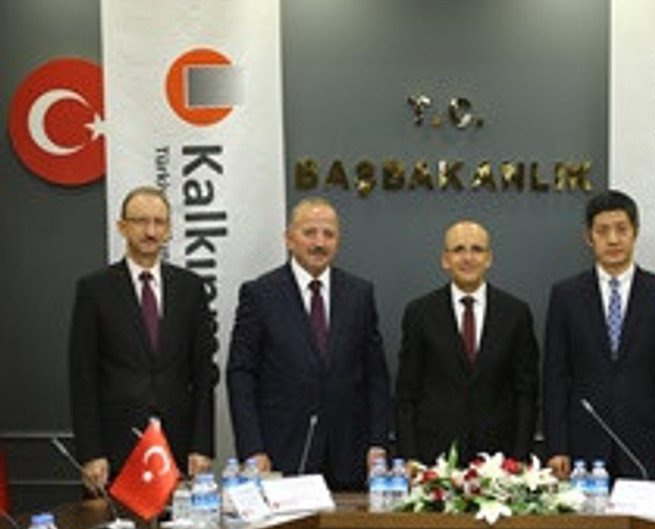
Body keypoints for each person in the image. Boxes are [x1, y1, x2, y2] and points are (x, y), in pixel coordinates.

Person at [227, 197, 390, 490]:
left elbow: (376, 375)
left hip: (348, 456)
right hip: (281, 453)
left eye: (328, 234)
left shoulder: (359, 294)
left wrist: (377, 443)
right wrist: (252, 450)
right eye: (310, 233)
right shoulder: (260, 294)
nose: (319, 243)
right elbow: (241, 375)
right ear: (289, 239)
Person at [69, 186, 217, 492]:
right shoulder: (94, 290)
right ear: (122, 227)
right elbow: (82, 376)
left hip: (178, 447)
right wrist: (91, 452)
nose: (150, 231)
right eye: (140, 221)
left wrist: (201, 445)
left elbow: (204, 373)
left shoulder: (190, 288)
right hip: (114, 451)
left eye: (159, 222)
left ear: (169, 229)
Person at [542, 190, 655, 482]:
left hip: (646, 448)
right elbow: (555, 378)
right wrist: (557, 447)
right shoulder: (566, 295)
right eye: (602, 231)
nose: (613, 240)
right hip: (582, 448)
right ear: (589, 237)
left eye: (622, 229)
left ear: (635, 233)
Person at [395, 221, 539, 465]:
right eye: (459, 249)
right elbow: (406, 392)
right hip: (435, 458)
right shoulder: (419, 313)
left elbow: (526, 393)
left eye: (477, 249)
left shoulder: (515, 313)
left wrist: (520, 456)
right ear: (445, 259)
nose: (468, 258)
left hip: (499, 460)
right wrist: (409, 457)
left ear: (489, 258)